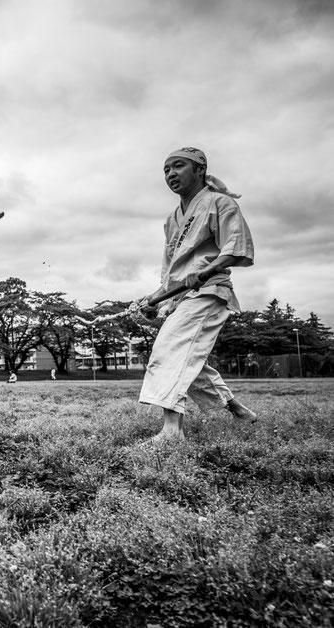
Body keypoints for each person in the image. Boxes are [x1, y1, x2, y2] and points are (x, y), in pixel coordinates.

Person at [134, 147, 257, 443]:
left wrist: (206, 269)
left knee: (169, 348)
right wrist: (153, 299)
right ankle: (236, 408)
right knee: (191, 358)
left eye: (178, 166)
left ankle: (172, 431)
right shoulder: (171, 220)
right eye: (166, 169)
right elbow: (172, 275)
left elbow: (236, 247)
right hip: (182, 297)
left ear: (200, 169)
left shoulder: (219, 203)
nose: (171, 174)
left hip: (210, 291)